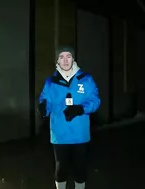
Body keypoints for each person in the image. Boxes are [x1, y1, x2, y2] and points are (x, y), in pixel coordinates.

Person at [38, 45, 101, 189]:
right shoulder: (51, 82)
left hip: (80, 134)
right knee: (61, 168)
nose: (65, 60)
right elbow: (45, 101)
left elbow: (95, 100)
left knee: (80, 169)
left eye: (68, 56)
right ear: (57, 61)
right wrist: (43, 108)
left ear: (73, 59)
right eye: (61, 57)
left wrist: (81, 108)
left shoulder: (86, 80)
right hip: (59, 135)